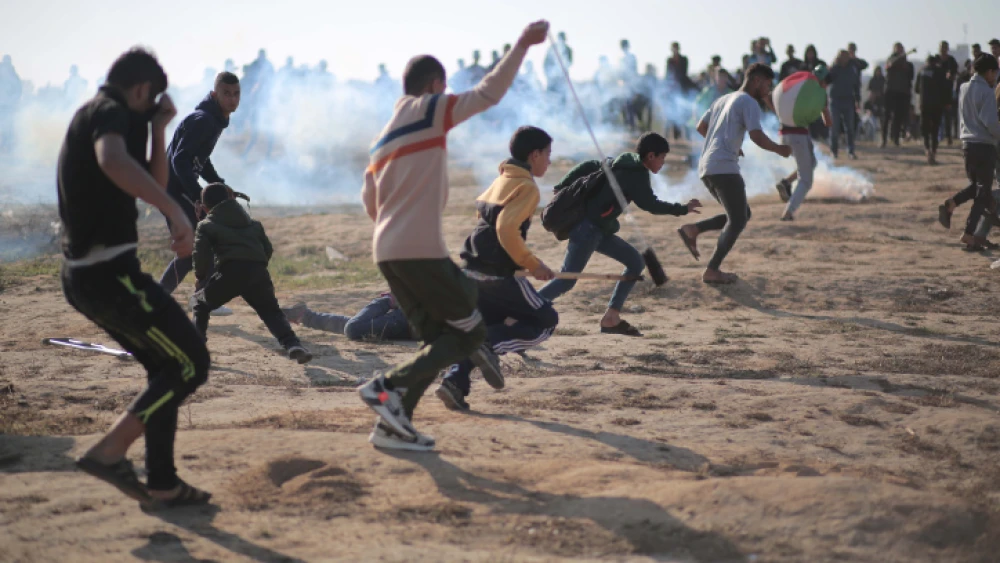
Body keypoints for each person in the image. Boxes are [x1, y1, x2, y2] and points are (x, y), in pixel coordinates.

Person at [357, 20, 551, 451]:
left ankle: (394, 424)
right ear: (436, 85)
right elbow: (487, 94)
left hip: (386, 252)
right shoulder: (428, 109)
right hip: (419, 251)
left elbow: (370, 204)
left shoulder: (380, 140)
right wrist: (521, 44)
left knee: (439, 340)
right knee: (469, 332)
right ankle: (385, 386)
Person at [59, 48, 212, 508]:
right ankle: (109, 452)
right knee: (191, 363)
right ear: (142, 90)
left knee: (166, 370)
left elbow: (151, 179)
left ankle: (162, 483)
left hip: (92, 275)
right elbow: (112, 161)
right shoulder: (110, 112)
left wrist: (159, 128)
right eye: (151, 105)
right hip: (108, 275)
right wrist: (173, 212)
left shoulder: (100, 113)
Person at [435, 126, 559, 412]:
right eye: (548, 155)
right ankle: (489, 349)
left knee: (484, 330)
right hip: (497, 275)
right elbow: (505, 229)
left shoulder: (501, 179)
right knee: (546, 320)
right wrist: (533, 264)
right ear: (535, 154)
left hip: (472, 270)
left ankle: (454, 383)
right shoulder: (527, 186)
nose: (549, 162)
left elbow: (482, 216)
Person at [538, 132, 699, 335]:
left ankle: (611, 318)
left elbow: (589, 165)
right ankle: (525, 308)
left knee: (635, 262)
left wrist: (561, 186)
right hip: (588, 230)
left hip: (598, 230)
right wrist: (683, 209)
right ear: (650, 156)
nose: (663, 162)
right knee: (567, 279)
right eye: (662, 157)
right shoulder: (637, 173)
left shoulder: (620, 162)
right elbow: (651, 205)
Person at [676, 63, 792, 284]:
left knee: (740, 215)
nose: (767, 91)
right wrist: (780, 149)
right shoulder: (748, 102)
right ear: (756, 80)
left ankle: (693, 229)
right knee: (738, 220)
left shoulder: (723, 99)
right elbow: (757, 136)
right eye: (767, 85)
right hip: (724, 168)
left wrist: (727, 143)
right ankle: (712, 269)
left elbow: (702, 127)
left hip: (707, 167)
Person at [190, 183, 312, 363]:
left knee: (200, 304)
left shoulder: (206, 225)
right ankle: (293, 345)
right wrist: (256, 267)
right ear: (231, 199)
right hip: (258, 272)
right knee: (271, 312)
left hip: (229, 273)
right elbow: (267, 249)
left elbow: (201, 257)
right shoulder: (253, 223)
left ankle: (197, 352)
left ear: (205, 206)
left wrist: (201, 279)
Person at [158, 72, 240, 316]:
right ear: (215, 95)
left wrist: (219, 184)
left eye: (236, 94)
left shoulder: (213, 119)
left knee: (196, 247)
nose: (232, 99)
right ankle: (202, 299)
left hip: (176, 189)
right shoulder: (204, 120)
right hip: (173, 190)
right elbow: (179, 159)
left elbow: (200, 160)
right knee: (194, 246)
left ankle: (198, 298)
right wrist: (197, 195)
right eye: (226, 94)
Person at [937, 54, 1000, 250]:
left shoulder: (964, 88)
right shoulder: (986, 91)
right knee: (983, 192)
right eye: (994, 73)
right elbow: (990, 123)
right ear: (989, 72)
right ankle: (969, 234)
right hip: (984, 145)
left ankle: (952, 203)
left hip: (967, 145)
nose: (995, 77)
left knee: (976, 187)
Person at [774, 66, 833, 221]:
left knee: (811, 163)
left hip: (784, 133)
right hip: (798, 136)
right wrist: (824, 108)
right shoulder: (819, 93)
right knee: (806, 180)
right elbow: (828, 122)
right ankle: (788, 212)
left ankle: (786, 182)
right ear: (824, 81)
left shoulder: (799, 80)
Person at [283, 294, 414, 341]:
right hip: (413, 320)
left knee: (355, 326)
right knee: (354, 328)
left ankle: (305, 316)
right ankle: (389, 299)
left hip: (418, 326)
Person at [915, 55, 952, 164]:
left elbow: (916, 89)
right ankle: (934, 152)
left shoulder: (921, 71)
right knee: (935, 130)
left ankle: (927, 150)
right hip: (937, 104)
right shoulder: (940, 71)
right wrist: (947, 102)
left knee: (925, 130)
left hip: (924, 104)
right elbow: (946, 88)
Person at [828, 50, 861, 159]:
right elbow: (827, 79)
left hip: (849, 101)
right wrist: (833, 65)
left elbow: (856, 85)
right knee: (834, 128)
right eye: (842, 56)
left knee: (850, 128)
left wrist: (858, 99)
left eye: (846, 56)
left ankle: (851, 151)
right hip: (835, 101)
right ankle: (834, 151)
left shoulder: (852, 68)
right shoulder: (835, 68)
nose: (844, 58)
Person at [883, 43, 915, 147]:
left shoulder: (909, 65)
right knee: (886, 117)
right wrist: (898, 58)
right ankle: (884, 140)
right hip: (890, 92)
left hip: (903, 94)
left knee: (898, 117)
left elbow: (911, 77)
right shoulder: (890, 60)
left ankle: (896, 139)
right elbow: (888, 66)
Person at [939, 41, 960, 144]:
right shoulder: (936, 59)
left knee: (948, 116)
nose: (943, 49)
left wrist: (951, 76)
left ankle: (949, 137)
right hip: (936, 92)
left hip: (947, 91)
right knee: (937, 115)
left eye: (945, 47)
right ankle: (938, 137)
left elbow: (956, 74)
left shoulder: (951, 60)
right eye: (941, 47)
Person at [0, 55, 22, 154]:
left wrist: (14, 98)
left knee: (9, 125)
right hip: (2, 103)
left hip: (9, 104)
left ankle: (8, 145)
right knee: (3, 124)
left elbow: (18, 89)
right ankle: (3, 144)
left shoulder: (13, 75)